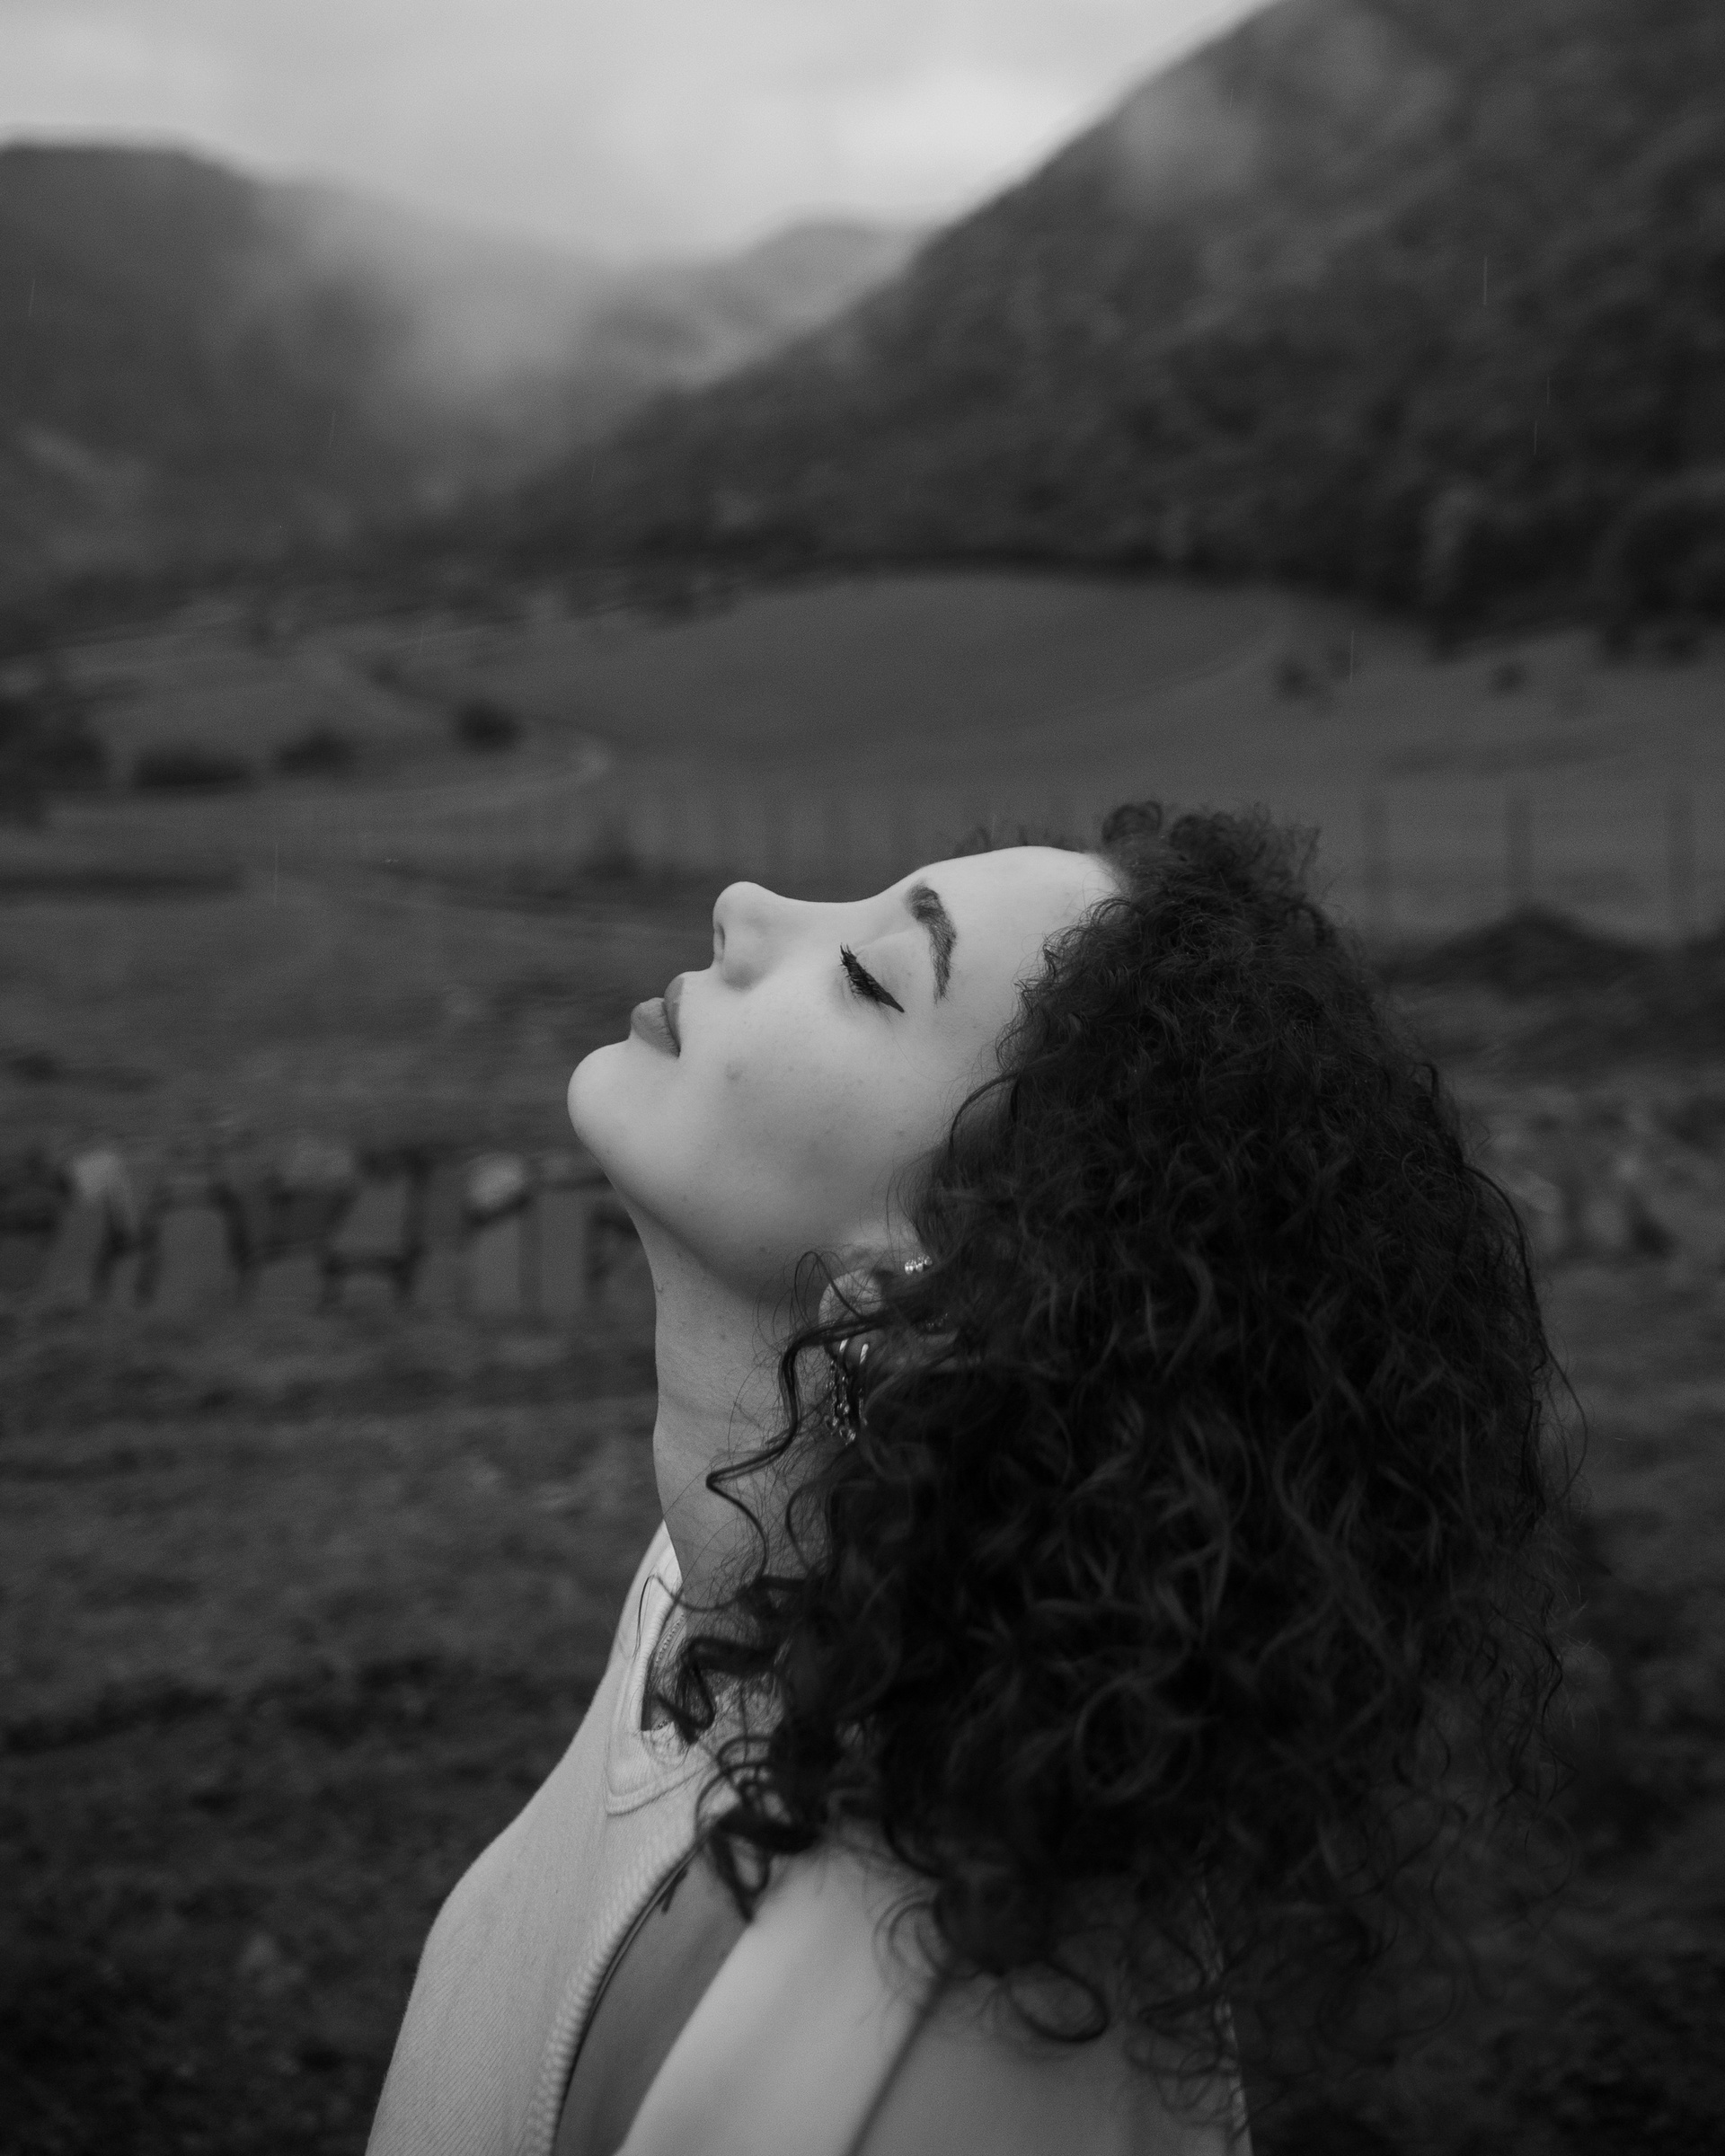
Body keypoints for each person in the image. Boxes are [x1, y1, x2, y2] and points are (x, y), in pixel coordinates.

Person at [367, 802, 1563, 2156]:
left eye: (873, 977)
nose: (745, 902)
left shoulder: (948, 2055)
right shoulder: (706, 1604)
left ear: (933, 1294)